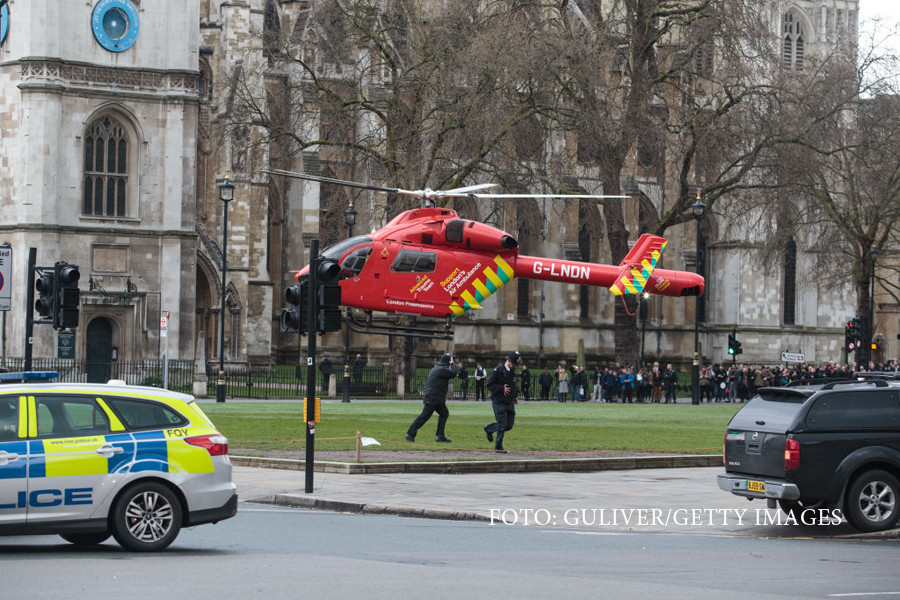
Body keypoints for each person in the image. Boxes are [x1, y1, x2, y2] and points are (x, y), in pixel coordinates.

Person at [405, 354, 458, 443]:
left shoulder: (436, 368)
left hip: (433, 397)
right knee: (424, 416)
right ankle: (410, 434)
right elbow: (453, 373)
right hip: (434, 398)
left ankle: (440, 435)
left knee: (443, 414)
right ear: (448, 362)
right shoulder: (441, 369)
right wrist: (453, 363)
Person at [484, 351, 519, 453]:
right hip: (499, 401)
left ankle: (489, 429)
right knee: (502, 424)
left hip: (509, 402)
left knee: (509, 425)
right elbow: (489, 384)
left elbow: (513, 385)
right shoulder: (497, 371)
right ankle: (498, 446)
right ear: (509, 362)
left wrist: (515, 396)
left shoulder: (513, 371)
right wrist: (500, 388)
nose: (515, 367)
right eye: (514, 364)